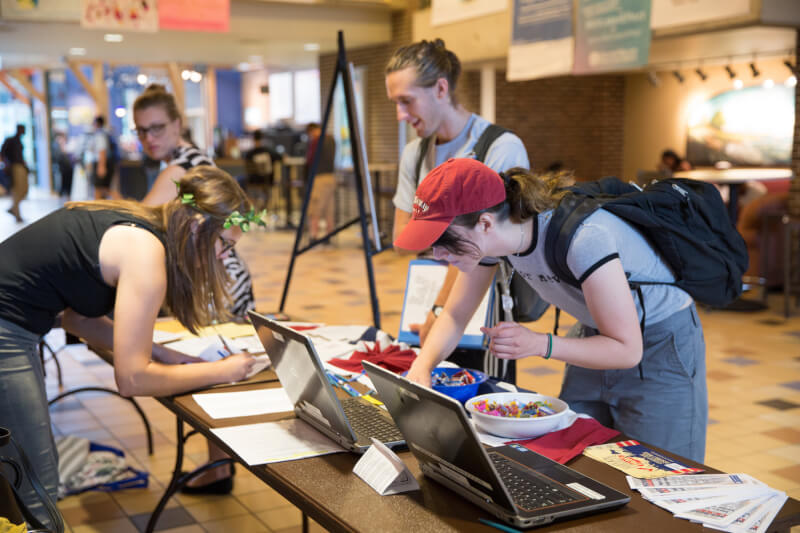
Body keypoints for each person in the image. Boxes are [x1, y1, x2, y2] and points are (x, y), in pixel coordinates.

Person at [399, 158, 708, 463]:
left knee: (658, 467)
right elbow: (454, 316)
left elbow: (627, 350)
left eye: (444, 242)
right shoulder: (491, 240)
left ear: (485, 223)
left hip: (661, 345)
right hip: (594, 335)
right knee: (581, 460)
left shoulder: (585, 238)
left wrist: (538, 344)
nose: (439, 256)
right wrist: (421, 369)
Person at [0, 166, 257, 527]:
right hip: (6, 331)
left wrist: (165, 354)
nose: (223, 257)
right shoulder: (146, 253)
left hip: (13, 325)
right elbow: (132, 379)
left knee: (27, 473)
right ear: (199, 228)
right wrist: (223, 370)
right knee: (36, 486)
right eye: (224, 245)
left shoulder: (135, 224)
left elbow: (79, 321)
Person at [134, 84, 257, 492]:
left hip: (214, 281)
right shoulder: (196, 159)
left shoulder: (178, 170)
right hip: (224, 278)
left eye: (157, 128)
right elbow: (243, 220)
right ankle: (217, 465)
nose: (149, 138)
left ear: (177, 124)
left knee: (211, 369)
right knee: (214, 366)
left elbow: (140, 225)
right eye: (141, 130)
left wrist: (216, 255)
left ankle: (218, 468)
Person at [385, 39, 530, 349]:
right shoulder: (415, 153)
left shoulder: (500, 147)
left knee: (479, 392)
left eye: (406, 101)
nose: (400, 114)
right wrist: (455, 230)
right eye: (395, 103)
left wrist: (440, 309)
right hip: (425, 299)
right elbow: (400, 239)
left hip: (482, 306)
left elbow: (486, 248)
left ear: (440, 89)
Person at [305, 122, 336, 241]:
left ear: (312, 131)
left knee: (314, 208)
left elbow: (310, 159)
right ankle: (329, 235)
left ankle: (313, 235)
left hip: (319, 178)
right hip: (331, 177)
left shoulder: (316, 141)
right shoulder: (332, 140)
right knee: (329, 209)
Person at [244, 129, 280, 212]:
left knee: (240, 180)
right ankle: (265, 208)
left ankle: (253, 208)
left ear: (253, 139)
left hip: (253, 181)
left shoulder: (249, 154)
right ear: (263, 139)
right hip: (267, 181)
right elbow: (280, 158)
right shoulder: (269, 151)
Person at [85, 116, 118, 200]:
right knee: (102, 189)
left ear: (97, 123)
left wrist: (101, 166)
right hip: (104, 163)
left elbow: (102, 151)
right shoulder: (105, 133)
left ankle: (120, 201)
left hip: (101, 163)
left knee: (99, 189)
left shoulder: (100, 135)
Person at [1, 124, 28, 222]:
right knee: (17, 190)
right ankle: (16, 213)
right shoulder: (10, 140)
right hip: (15, 167)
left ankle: (13, 208)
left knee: (24, 189)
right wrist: (6, 165)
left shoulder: (19, 141)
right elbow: (2, 153)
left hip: (21, 166)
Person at [54, 131, 75, 199]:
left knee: (67, 180)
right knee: (64, 180)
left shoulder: (64, 143)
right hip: (63, 166)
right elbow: (62, 153)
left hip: (67, 166)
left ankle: (67, 193)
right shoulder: (58, 144)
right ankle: (63, 193)